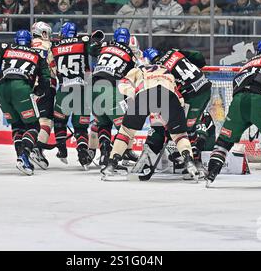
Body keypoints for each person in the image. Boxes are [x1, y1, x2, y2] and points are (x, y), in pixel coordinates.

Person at [206, 38, 261, 189]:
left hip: (237, 104)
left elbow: (236, 84)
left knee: (224, 141)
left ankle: (211, 175)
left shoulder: (245, 64)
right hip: (258, 101)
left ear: (258, 49)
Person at [101, 59, 198, 181]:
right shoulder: (167, 71)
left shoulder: (138, 69)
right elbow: (179, 98)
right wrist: (176, 120)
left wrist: (134, 95)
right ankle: (189, 162)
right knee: (179, 135)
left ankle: (111, 164)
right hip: (168, 95)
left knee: (126, 132)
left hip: (144, 94)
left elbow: (122, 84)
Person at [0, 30, 51, 176]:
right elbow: (46, 78)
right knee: (33, 125)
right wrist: (38, 91)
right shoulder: (38, 54)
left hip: (1, 90)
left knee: (17, 125)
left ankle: (20, 157)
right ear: (30, 42)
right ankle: (24, 156)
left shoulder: (5, 47)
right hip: (21, 89)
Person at [140, 46, 211, 178]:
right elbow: (199, 57)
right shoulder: (173, 51)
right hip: (205, 87)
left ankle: (196, 164)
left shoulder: (158, 70)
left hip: (192, 95)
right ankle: (193, 162)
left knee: (185, 130)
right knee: (191, 125)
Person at [50, 22, 101, 170]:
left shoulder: (55, 46)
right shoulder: (82, 41)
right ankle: (83, 153)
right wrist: (92, 41)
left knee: (59, 122)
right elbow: (95, 51)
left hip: (64, 88)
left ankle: (62, 149)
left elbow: (50, 66)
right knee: (80, 127)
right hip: (82, 89)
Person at [92, 27, 138, 168]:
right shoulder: (130, 53)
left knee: (103, 124)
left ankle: (105, 156)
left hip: (93, 89)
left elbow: (91, 49)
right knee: (125, 125)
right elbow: (132, 74)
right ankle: (117, 156)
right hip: (110, 90)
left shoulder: (105, 46)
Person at [29, 21, 56, 169]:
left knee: (28, 121)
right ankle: (37, 150)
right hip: (45, 85)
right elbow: (53, 67)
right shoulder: (48, 47)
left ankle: (25, 149)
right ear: (44, 33)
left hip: (26, 85)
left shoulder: (27, 44)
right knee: (46, 120)